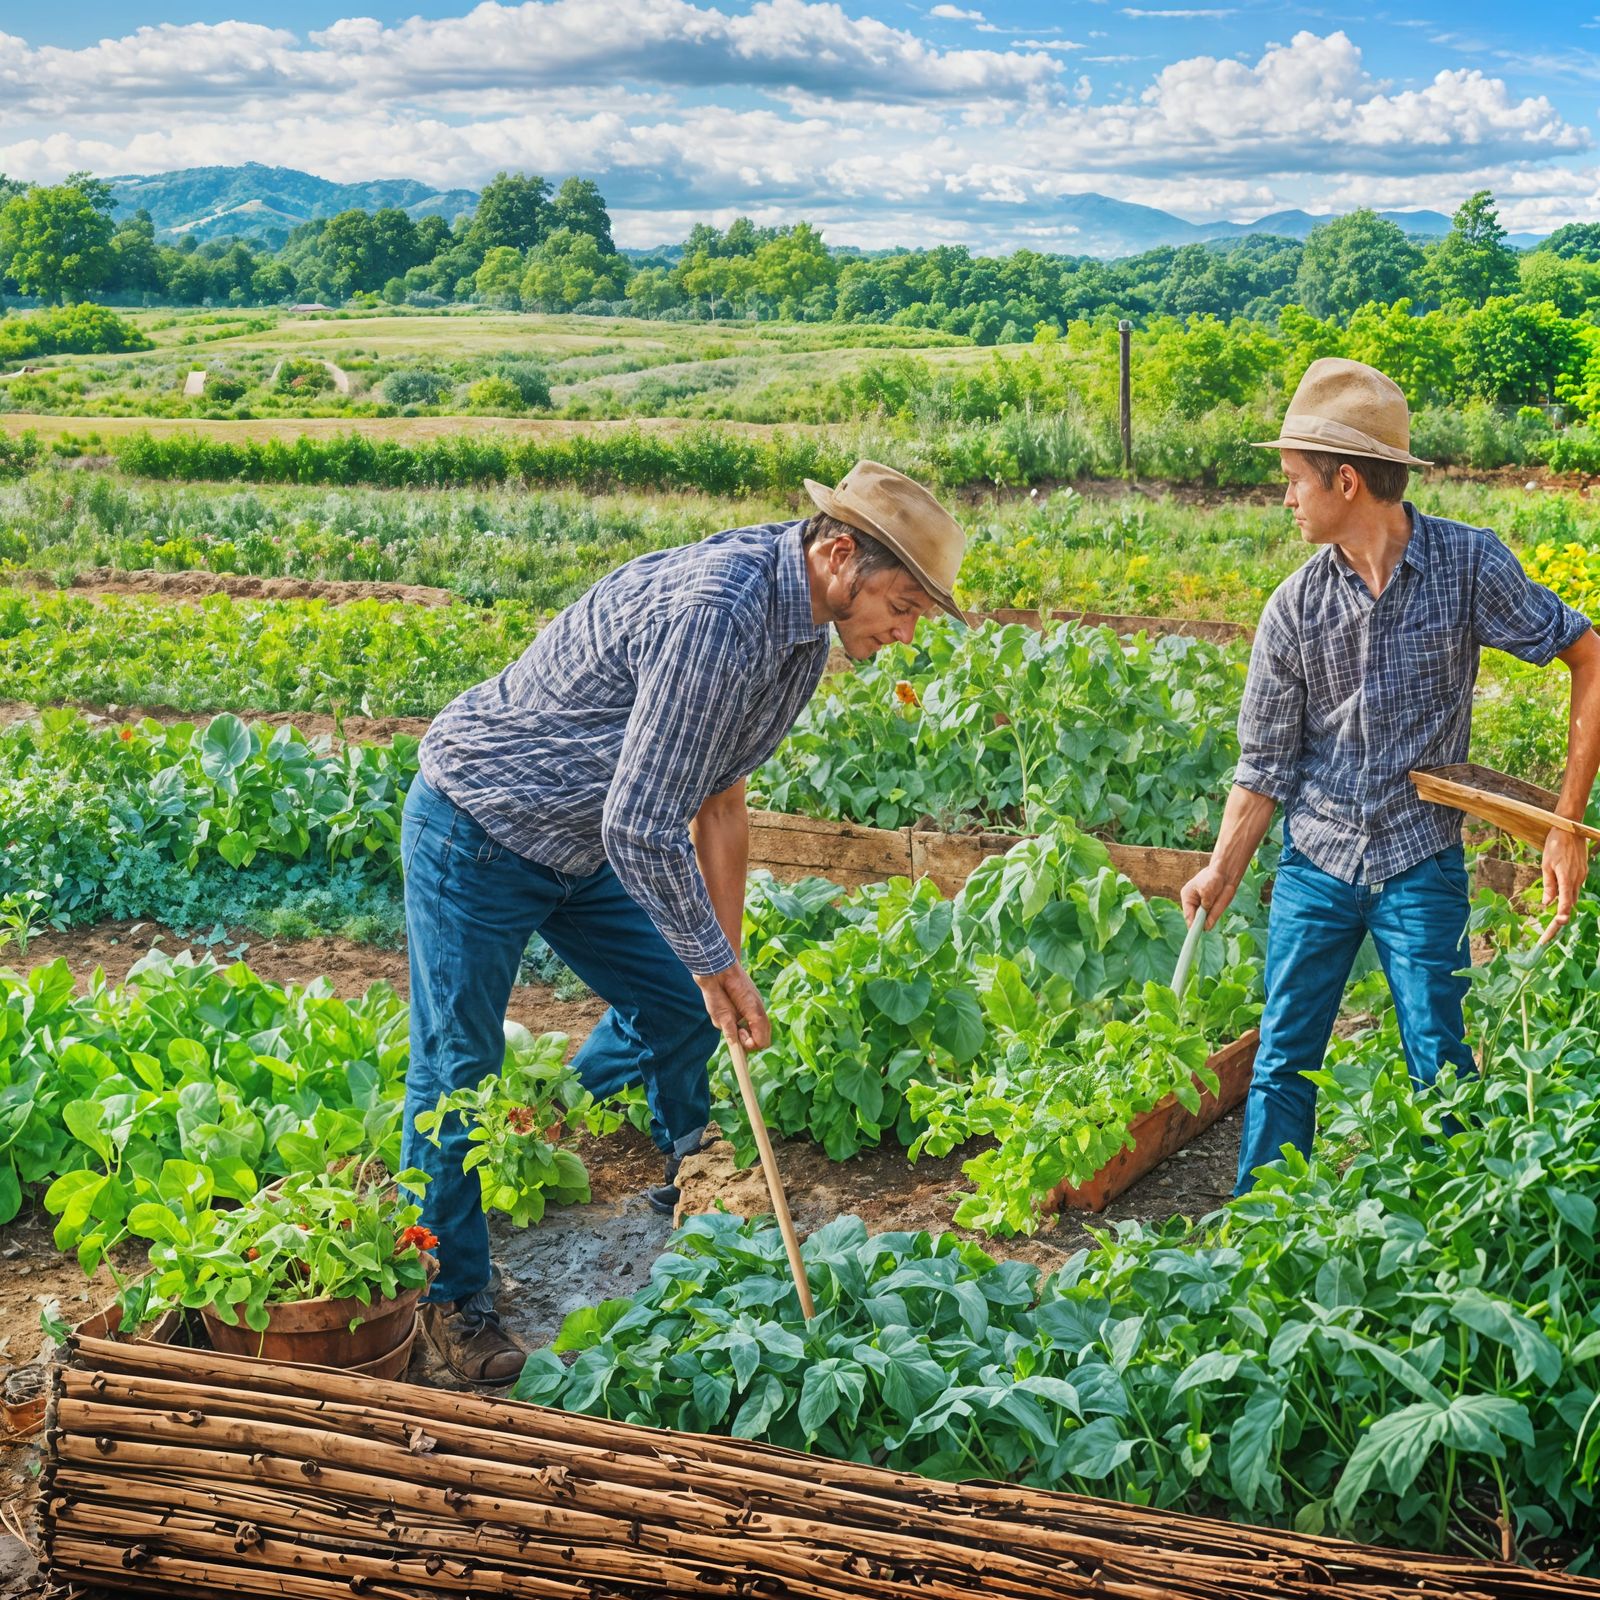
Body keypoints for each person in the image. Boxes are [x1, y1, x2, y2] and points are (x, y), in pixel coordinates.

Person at [401, 460, 967, 1384]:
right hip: (483, 824)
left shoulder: (798, 638)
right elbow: (642, 821)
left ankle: (693, 1178)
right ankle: (450, 1302)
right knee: (457, 1072)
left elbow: (721, 800)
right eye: (903, 605)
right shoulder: (722, 612)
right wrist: (714, 964)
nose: (904, 633)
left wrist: (724, 964)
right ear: (838, 553)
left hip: (584, 840)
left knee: (674, 1002)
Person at [1180, 358, 1600, 1195]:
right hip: (1318, 865)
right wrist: (1221, 868)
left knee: (1442, 1069)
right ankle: (1261, 1240)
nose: (1285, 498)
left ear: (1346, 481)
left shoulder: (1467, 567)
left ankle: (1450, 1244)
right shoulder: (1294, 608)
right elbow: (1265, 765)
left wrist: (1563, 823)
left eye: (1295, 480)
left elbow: (1587, 654)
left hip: (1420, 862)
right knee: (1282, 1063)